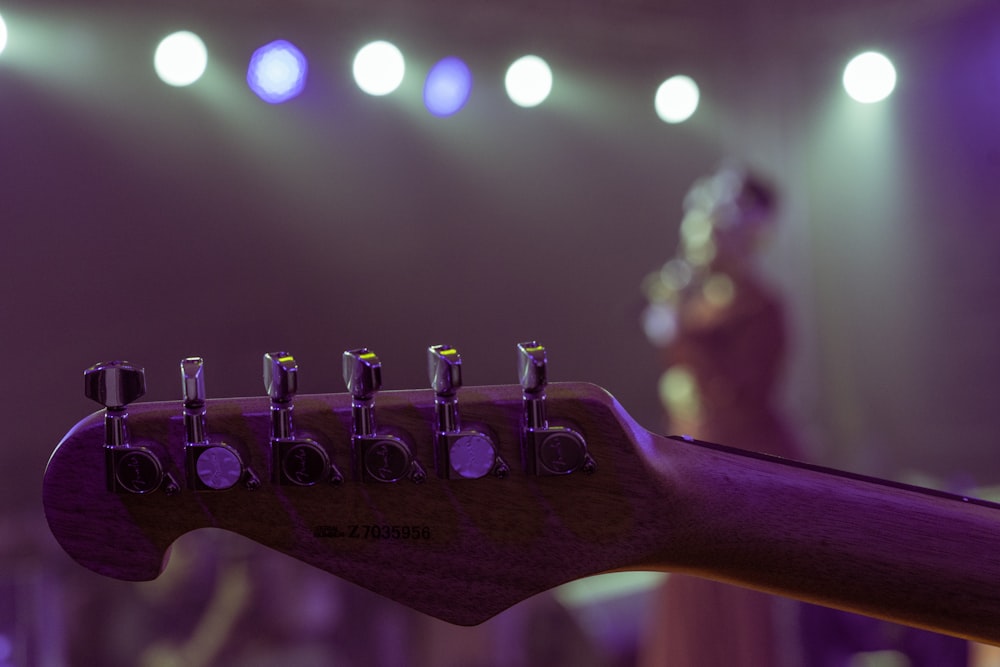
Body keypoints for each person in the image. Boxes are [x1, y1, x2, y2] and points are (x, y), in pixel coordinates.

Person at [638, 163, 802, 666]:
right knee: (692, 594)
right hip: (686, 467)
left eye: (718, 224)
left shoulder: (761, 307)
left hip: (742, 470)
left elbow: (738, 396)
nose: (705, 235)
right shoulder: (689, 301)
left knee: (743, 601)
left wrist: (680, 339)